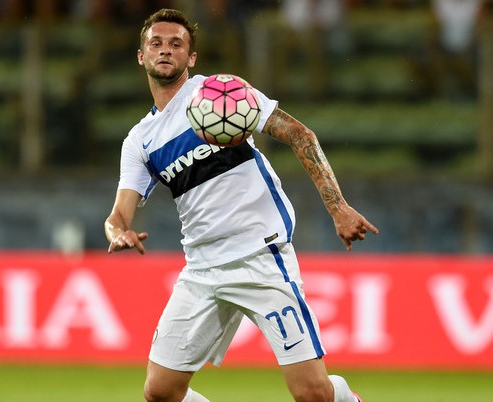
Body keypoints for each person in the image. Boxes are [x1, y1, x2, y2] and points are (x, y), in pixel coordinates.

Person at [104, 8, 378, 402]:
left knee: (312, 393)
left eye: (176, 44)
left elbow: (299, 134)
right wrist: (119, 232)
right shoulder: (140, 140)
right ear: (141, 55)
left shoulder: (221, 92)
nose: (165, 50)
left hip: (260, 256)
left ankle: (345, 396)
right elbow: (118, 214)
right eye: (156, 43)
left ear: (191, 57)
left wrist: (338, 207)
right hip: (202, 268)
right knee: (160, 391)